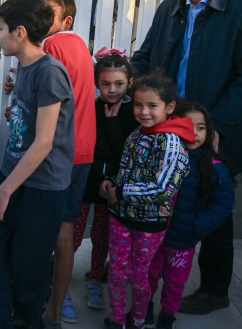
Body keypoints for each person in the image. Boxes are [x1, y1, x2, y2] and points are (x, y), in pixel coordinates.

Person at [131, 0, 242, 314]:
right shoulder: (169, 9)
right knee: (162, 201)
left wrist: (216, 126)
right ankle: (145, 272)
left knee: (212, 211)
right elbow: (144, 59)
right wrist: (124, 91)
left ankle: (213, 289)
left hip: (215, 134)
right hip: (168, 130)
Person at [0, 0, 74, 329]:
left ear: (19, 32)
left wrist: (4, 191)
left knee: (29, 276)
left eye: (0, 29)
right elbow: (35, 125)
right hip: (13, 175)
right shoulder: (24, 67)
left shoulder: (50, 72)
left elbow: (45, 143)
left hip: (41, 188)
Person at [24, 0, 96, 327]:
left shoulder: (51, 46)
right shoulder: (81, 45)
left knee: (44, 231)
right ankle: (57, 304)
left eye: (46, 11)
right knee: (64, 230)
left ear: (64, 18)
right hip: (82, 151)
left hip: (57, 153)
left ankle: (40, 301)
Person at [99, 73, 194, 329]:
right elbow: (125, 169)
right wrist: (111, 180)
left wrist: (122, 191)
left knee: (139, 276)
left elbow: (163, 188)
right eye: (139, 105)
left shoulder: (172, 143)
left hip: (149, 224)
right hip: (121, 218)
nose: (144, 112)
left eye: (153, 106)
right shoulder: (136, 135)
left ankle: (138, 319)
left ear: (169, 107)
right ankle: (118, 320)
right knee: (118, 273)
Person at [146, 101, 235, 329]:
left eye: (202, 127)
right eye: (187, 125)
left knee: (175, 283)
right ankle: (143, 309)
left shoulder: (215, 168)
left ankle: (167, 316)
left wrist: (198, 226)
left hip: (183, 241)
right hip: (154, 236)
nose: (194, 133)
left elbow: (222, 205)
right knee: (148, 276)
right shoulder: (162, 157)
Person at [72, 49, 139, 316]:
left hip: (111, 186)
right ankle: (60, 278)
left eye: (119, 84)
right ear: (96, 83)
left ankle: (95, 279)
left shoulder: (134, 113)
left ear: (129, 83)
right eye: (105, 83)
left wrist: (113, 126)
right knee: (73, 235)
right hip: (85, 181)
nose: (112, 90)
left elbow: (122, 150)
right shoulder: (90, 107)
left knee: (102, 236)